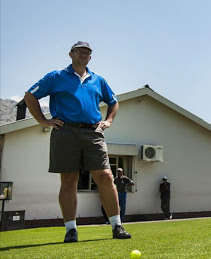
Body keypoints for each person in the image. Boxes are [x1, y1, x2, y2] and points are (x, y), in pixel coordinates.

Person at [24, 41, 131, 243]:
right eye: (79, 51)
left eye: (87, 52)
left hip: (93, 132)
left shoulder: (98, 79)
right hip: (65, 132)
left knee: (106, 176)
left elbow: (113, 101)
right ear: (71, 54)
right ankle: (71, 230)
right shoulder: (55, 76)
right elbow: (30, 95)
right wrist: (43, 120)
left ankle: (117, 225)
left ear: (90, 57)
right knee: (69, 180)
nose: (83, 55)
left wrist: (108, 121)